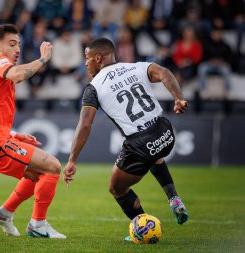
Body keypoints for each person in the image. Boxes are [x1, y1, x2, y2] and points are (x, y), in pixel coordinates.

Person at [63, 38, 189, 241]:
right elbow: (165, 73)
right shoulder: (136, 67)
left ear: (98, 57)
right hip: (165, 131)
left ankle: (143, 228)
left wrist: (72, 159)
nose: (85, 63)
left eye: (87, 58)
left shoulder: (93, 87)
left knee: (116, 188)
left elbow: (85, 125)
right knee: (155, 156)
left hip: (140, 143)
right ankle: (174, 199)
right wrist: (178, 97)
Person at [0, 24, 65, 239]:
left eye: (19, 44)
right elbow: (19, 75)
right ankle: (37, 225)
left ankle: (5, 212)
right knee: (52, 166)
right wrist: (42, 59)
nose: (17, 49)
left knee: (36, 175)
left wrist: (13, 135)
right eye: (12, 44)